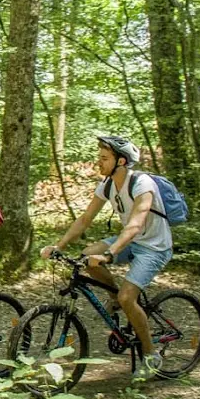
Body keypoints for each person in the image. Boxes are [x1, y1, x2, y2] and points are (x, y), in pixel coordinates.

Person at [39, 135, 172, 380]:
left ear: (121, 161)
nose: (98, 162)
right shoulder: (108, 185)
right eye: (99, 157)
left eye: (104, 158)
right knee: (87, 254)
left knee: (128, 296)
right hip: (129, 242)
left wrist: (110, 253)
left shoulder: (142, 184)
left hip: (154, 246)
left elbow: (135, 224)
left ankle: (151, 355)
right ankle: (114, 298)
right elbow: (84, 220)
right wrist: (58, 245)